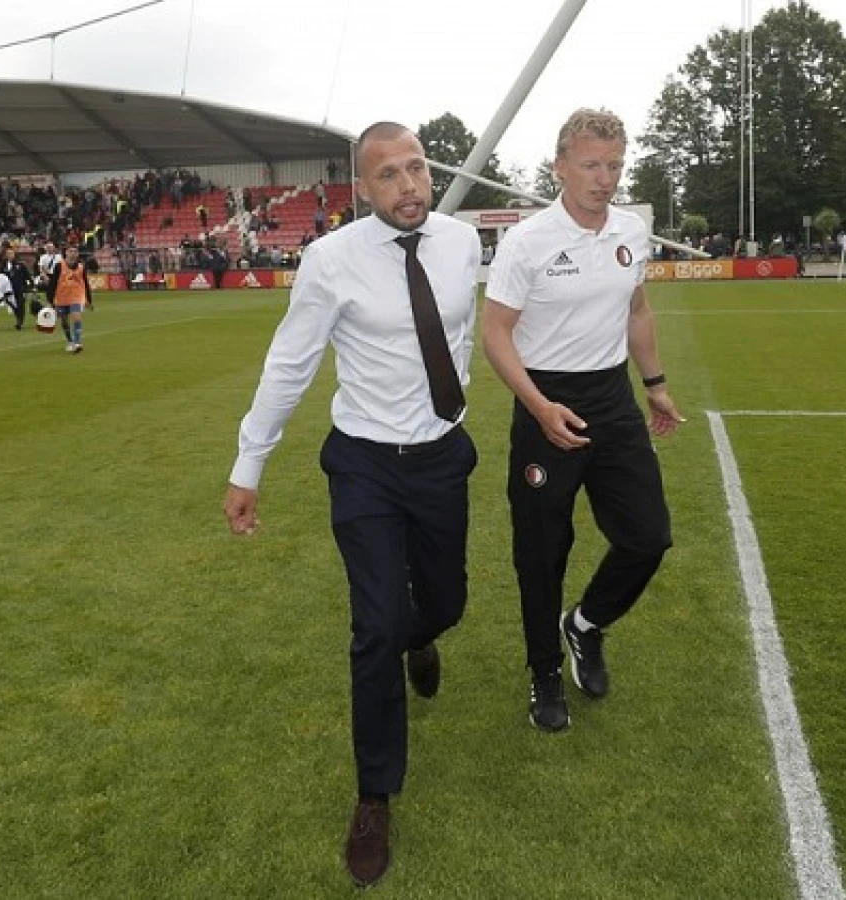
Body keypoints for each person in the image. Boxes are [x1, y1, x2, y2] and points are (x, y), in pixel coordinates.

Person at [222, 121, 481, 888]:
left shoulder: (464, 243)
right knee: (374, 629)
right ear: (362, 189)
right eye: (389, 176)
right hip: (365, 465)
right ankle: (375, 797)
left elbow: (469, 335)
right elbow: (291, 362)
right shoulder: (329, 261)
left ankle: (422, 634)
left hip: (441, 458)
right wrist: (248, 465)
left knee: (446, 603)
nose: (409, 186)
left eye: (417, 169)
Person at [481, 108, 683, 733]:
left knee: (648, 537)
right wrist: (539, 406)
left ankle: (585, 626)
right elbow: (495, 334)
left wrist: (654, 385)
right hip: (546, 402)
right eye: (592, 164)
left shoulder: (629, 230)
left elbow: (638, 309)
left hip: (612, 400)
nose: (605, 178)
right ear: (560, 166)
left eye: (615, 165)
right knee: (541, 554)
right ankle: (543, 673)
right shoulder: (528, 241)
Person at [52, 245, 91, 353]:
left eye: (75, 251)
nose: (73, 253)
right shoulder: (59, 266)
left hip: (76, 297)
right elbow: (53, 283)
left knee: (77, 318)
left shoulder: (81, 267)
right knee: (64, 321)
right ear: (66, 253)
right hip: (61, 298)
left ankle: (77, 342)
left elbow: (86, 283)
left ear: (78, 254)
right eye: (70, 251)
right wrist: (50, 299)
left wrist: (89, 299)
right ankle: (69, 341)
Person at [0, 243, 32, 330]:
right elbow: (0, 276)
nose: (10, 255)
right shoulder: (3, 265)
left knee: (20, 304)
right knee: (13, 304)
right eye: (8, 254)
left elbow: (27, 276)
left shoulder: (20, 264)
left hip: (20, 287)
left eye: (11, 253)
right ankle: (18, 318)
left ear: (14, 254)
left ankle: (20, 321)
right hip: (8, 289)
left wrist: (31, 285)